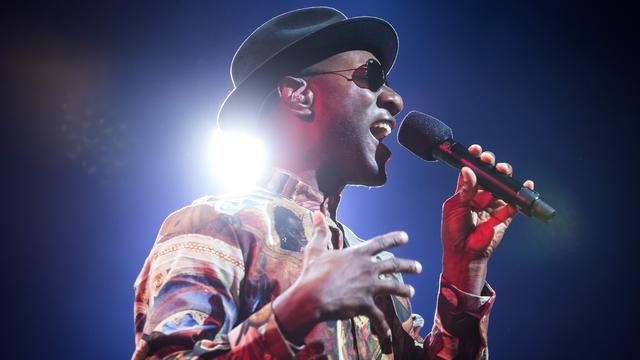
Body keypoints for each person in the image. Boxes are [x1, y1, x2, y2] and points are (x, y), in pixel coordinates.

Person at [132, 7, 534, 359]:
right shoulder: (216, 223)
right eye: (371, 76)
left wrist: (466, 270)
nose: (395, 99)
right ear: (299, 95)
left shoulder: (371, 268)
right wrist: (298, 310)